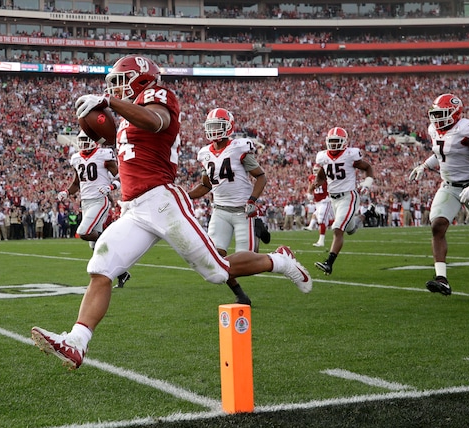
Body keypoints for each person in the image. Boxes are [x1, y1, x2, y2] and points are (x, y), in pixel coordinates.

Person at [31, 55, 311, 370]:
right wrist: (93, 120)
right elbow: (118, 139)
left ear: (141, 79)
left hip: (162, 201)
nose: (117, 88)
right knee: (101, 267)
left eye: (122, 81)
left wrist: (108, 102)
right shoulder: (128, 115)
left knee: (217, 271)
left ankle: (282, 261)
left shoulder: (159, 97)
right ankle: (77, 342)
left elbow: (155, 122)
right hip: (133, 208)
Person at [408, 93, 469, 295]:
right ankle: (442, 279)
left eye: (442, 114)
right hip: (449, 186)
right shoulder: (434, 129)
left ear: (455, 114)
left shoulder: (465, 130)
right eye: (435, 114)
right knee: (437, 226)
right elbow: (441, 153)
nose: (437, 118)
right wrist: (424, 166)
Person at [187, 107, 268, 306]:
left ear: (229, 127)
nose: (214, 131)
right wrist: (184, 195)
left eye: (218, 126)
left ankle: (258, 232)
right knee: (216, 258)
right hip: (220, 211)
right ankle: (240, 294)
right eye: (211, 126)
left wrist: (252, 200)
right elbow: (206, 185)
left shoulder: (238, 148)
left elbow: (260, 176)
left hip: (243, 211)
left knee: (247, 261)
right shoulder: (205, 153)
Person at [56, 130, 131, 288]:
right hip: (86, 202)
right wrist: (66, 192)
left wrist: (110, 187)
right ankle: (122, 273)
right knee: (94, 245)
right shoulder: (76, 158)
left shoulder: (103, 154)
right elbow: (77, 183)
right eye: (81, 140)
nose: (83, 143)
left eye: (86, 139)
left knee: (84, 232)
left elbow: (120, 177)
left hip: (100, 200)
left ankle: (110, 240)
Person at [312, 127, 374, 276]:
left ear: (344, 142)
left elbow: (367, 167)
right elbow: (322, 174)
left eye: (336, 141)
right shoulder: (323, 157)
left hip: (348, 196)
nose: (333, 145)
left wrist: (367, 183)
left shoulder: (349, 155)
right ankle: (368, 214)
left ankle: (329, 263)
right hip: (334, 199)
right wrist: (317, 182)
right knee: (350, 229)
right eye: (331, 142)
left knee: (337, 229)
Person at [306, 164, 333, 247]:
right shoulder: (311, 177)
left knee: (321, 219)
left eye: (317, 170)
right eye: (314, 170)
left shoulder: (326, 178)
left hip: (325, 200)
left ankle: (321, 241)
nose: (315, 172)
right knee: (322, 219)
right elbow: (310, 187)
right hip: (317, 202)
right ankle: (311, 227)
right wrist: (309, 193)